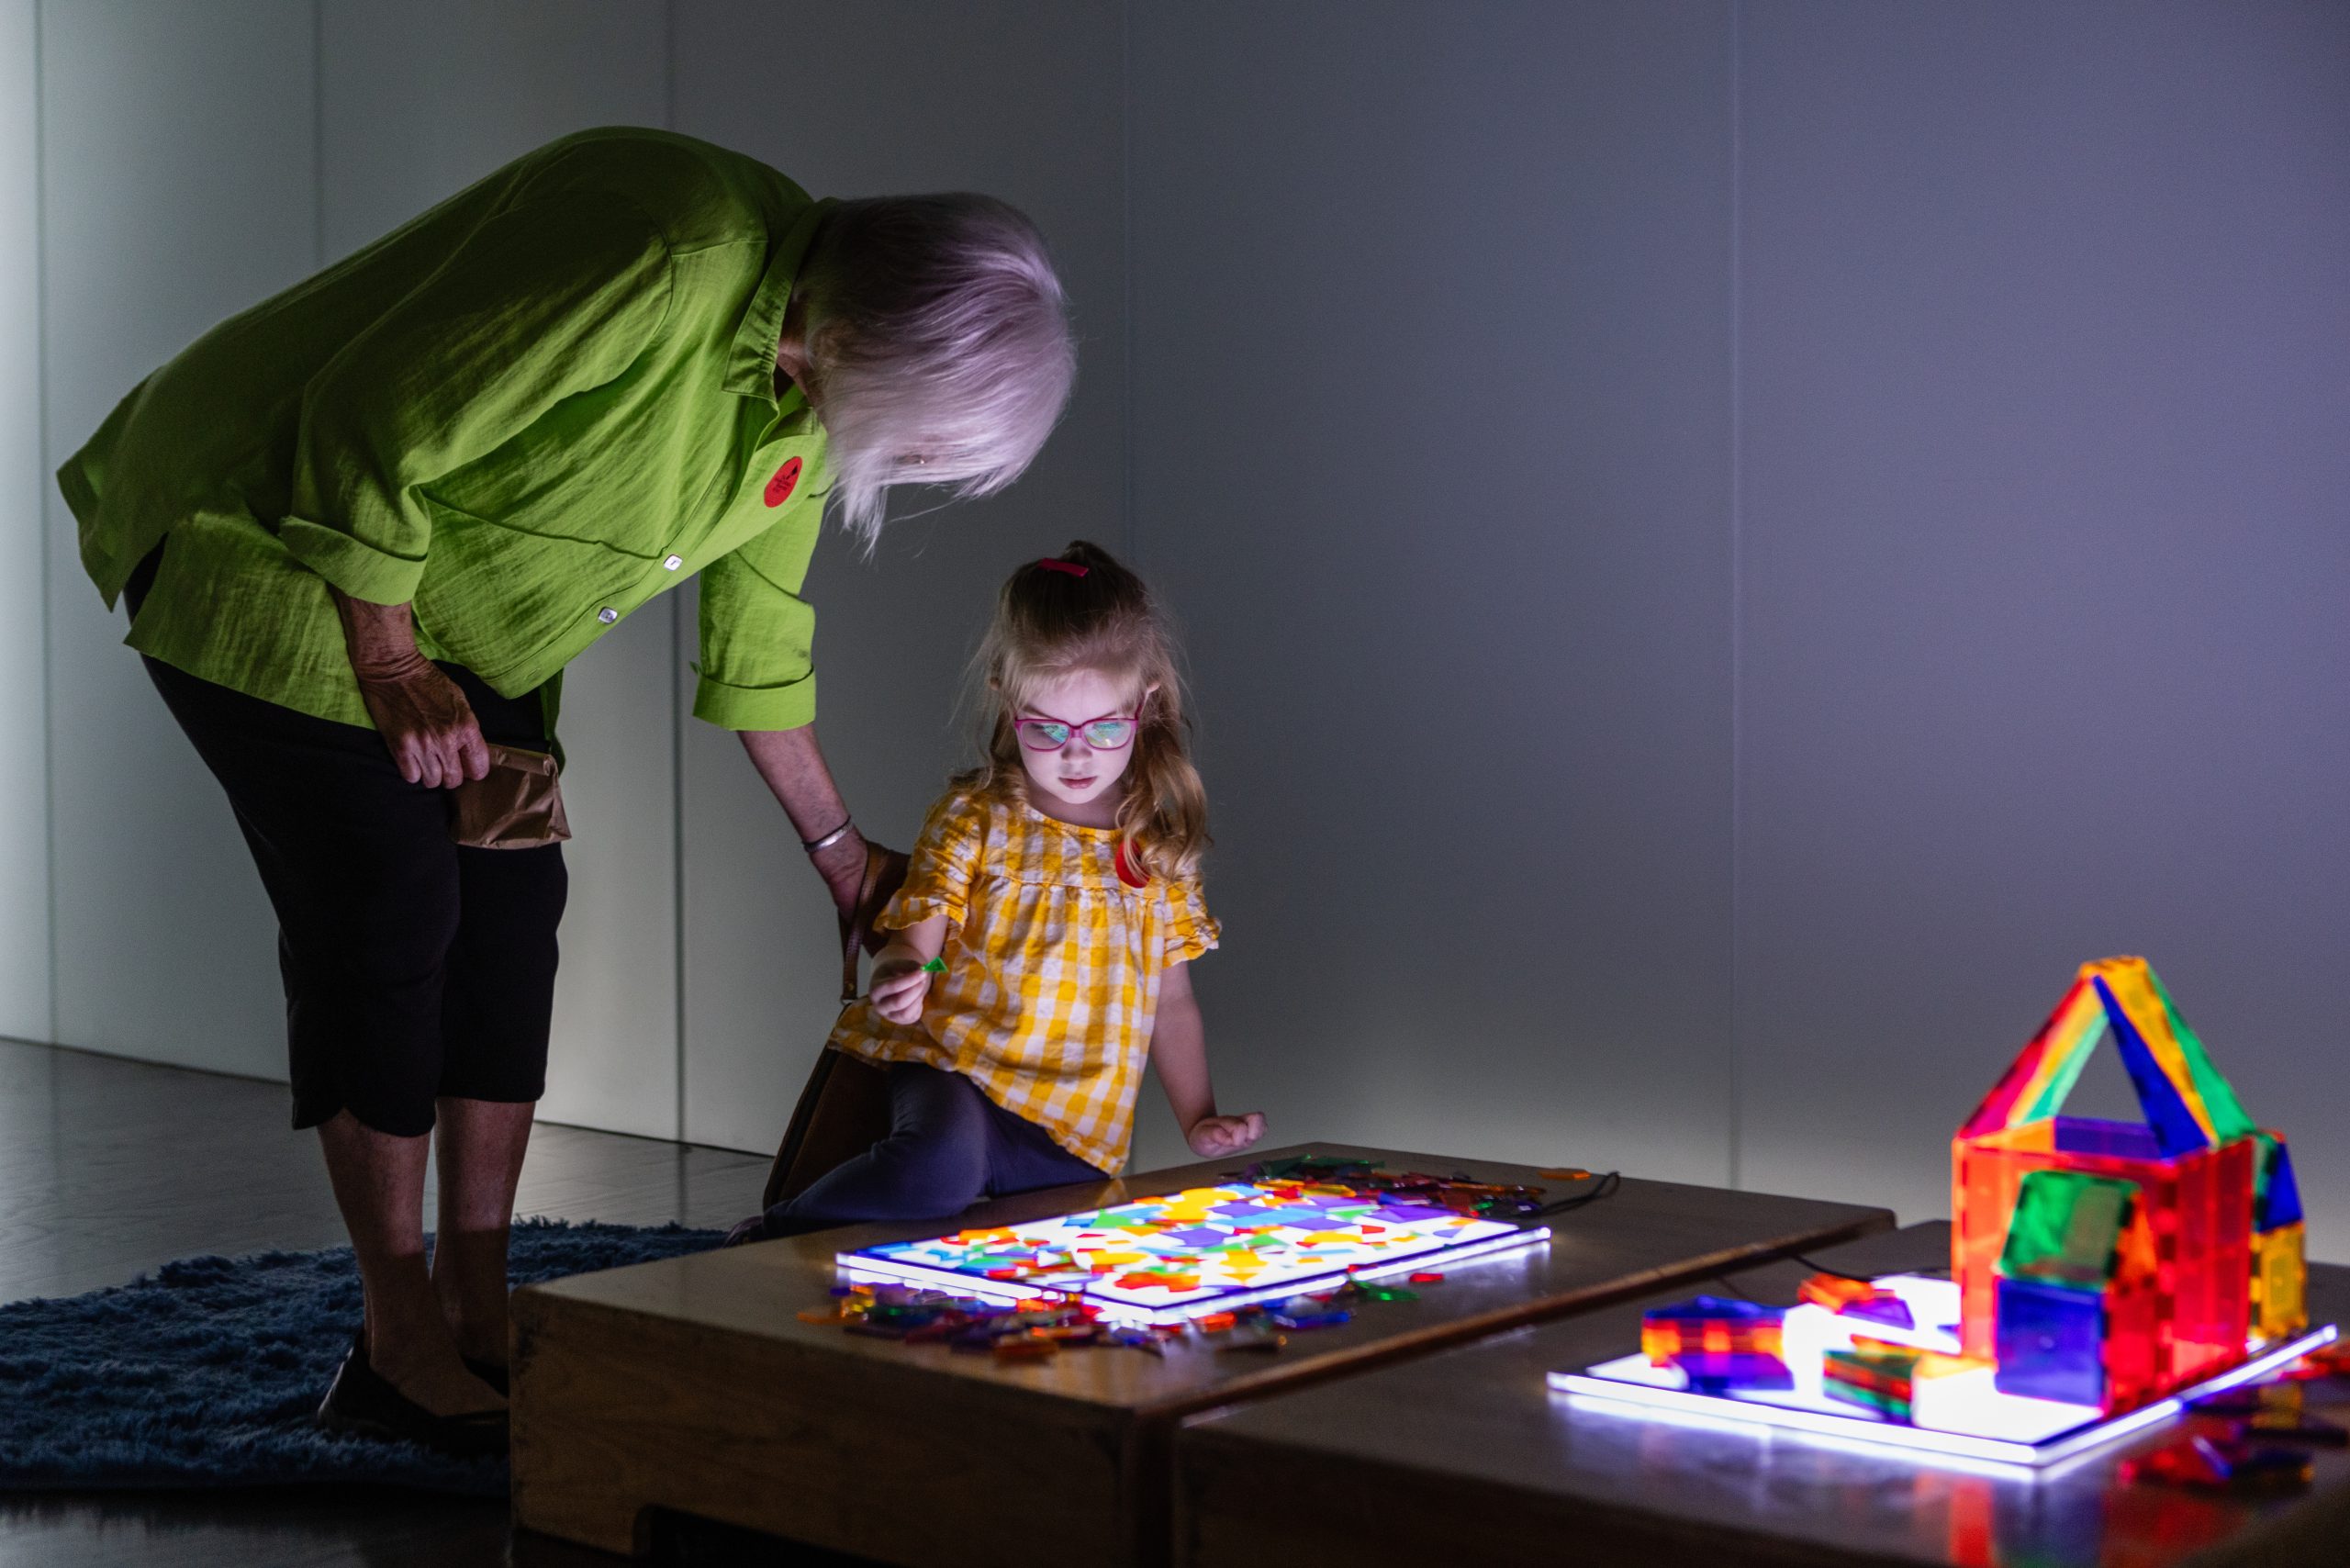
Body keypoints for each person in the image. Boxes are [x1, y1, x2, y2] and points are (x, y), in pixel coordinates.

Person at [55, 127, 1075, 1454]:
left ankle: (478, 1302)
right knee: (390, 903)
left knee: (513, 901)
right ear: (883, 341)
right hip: (270, 534)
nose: (918, 467)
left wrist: (843, 862)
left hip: (457, 609)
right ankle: (393, 1338)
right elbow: (377, 413)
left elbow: (758, 642)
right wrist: (386, 657)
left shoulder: (806, 391)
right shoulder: (668, 250)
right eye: (933, 442)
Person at [728, 543, 1264, 1244]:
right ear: (1009, 705)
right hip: (963, 1077)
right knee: (938, 1172)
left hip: (1075, 1125)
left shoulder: (1153, 849)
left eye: (1104, 728)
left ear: (1145, 706)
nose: (1076, 755)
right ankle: (767, 1239)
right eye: (1047, 729)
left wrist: (1199, 1117)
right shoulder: (977, 819)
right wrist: (902, 971)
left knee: (1029, 1244)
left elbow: (1171, 1000)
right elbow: (921, 936)